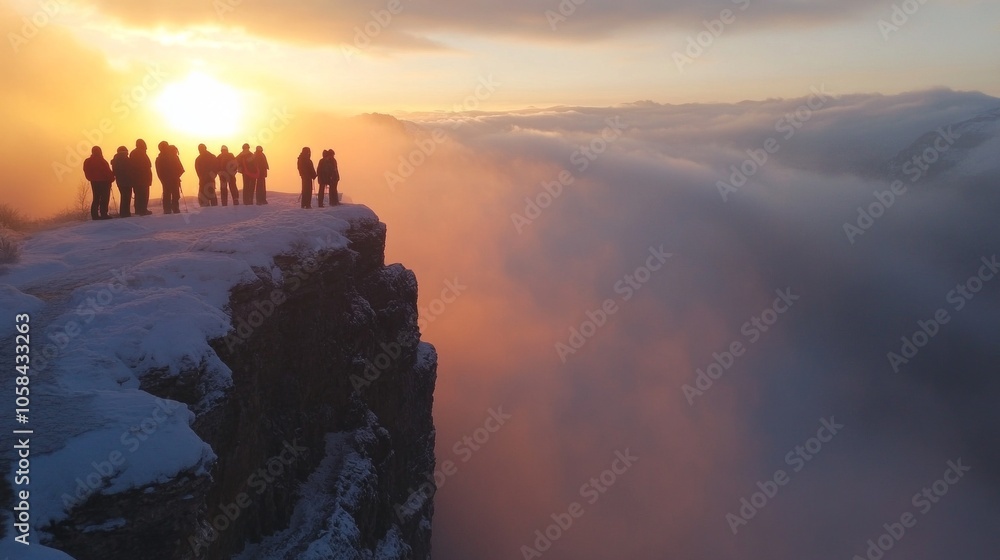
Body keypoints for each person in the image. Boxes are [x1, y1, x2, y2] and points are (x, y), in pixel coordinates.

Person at [83, 146, 114, 220]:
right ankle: (104, 213)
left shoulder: (88, 161)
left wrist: (91, 178)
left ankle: (94, 215)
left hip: (93, 182)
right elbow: (106, 171)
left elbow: (86, 170)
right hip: (104, 182)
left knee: (96, 198)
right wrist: (111, 178)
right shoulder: (101, 161)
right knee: (104, 198)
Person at [155, 141, 183, 214]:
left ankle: (167, 210)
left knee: (167, 194)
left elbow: (158, 172)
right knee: (175, 194)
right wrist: (176, 176)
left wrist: (162, 179)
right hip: (174, 179)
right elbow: (180, 169)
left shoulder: (158, 159)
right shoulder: (173, 156)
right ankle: (175, 209)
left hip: (165, 180)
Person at [129, 139, 153, 216]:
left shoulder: (133, 153)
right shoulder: (141, 153)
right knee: (143, 194)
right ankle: (142, 210)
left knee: (138, 194)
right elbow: (147, 165)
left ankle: (139, 209)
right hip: (143, 178)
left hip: (136, 178)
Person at [110, 146, 132, 217]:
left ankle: (124, 212)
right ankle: (126, 212)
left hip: (119, 181)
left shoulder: (115, 160)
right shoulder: (126, 159)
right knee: (127, 196)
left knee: (123, 196)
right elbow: (130, 169)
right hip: (127, 180)